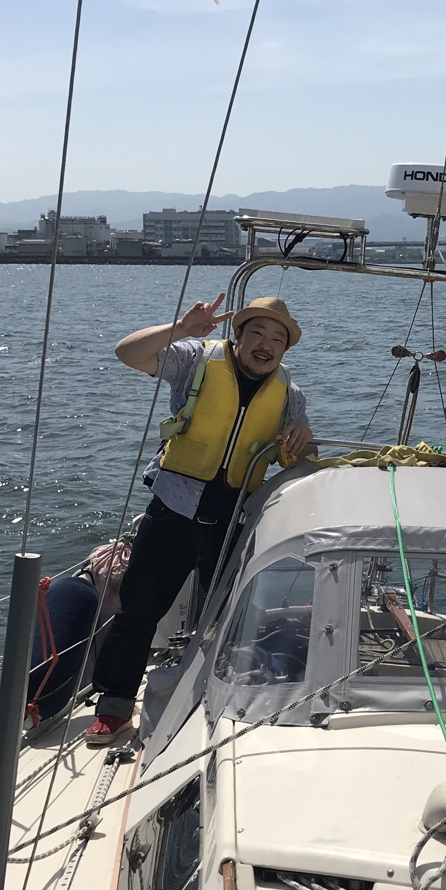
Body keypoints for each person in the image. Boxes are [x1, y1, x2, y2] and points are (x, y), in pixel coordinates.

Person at [87, 294, 313, 744]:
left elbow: (302, 456)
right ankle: (114, 707)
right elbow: (127, 353)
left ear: (285, 350)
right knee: (138, 611)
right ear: (238, 336)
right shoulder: (196, 361)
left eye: (277, 339)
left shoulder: (290, 396)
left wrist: (304, 436)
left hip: (233, 521)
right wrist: (180, 329)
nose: (266, 345)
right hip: (173, 510)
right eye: (257, 333)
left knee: (231, 615)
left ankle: (219, 696)